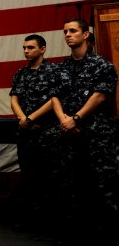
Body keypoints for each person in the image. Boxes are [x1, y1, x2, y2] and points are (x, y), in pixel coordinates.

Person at [52, 18, 119, 241]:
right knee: (70, 185)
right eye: (65, 31)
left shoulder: (102, 64)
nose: (68, 35)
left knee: (102, 186)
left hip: (96, 135)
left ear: (85, 34)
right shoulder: (61, 67)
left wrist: (76, 119)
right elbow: (55, 96)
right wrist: (64, 119)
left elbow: (99, 96)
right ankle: (74, 232)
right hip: (68, 134)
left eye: (73, 31)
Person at [9, 34, 68, 232]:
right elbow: (14, 98)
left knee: (51, 177)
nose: (26, 51)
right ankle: (32, 219)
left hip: (48, 132)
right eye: (24, 47)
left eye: (31, 47)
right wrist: (23, 119)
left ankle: (52, 222)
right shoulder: (21, 73)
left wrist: (31, 118)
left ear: (42, 49)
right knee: (29, 176)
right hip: (26, 133)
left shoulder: (55, 71)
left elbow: (55, 100)